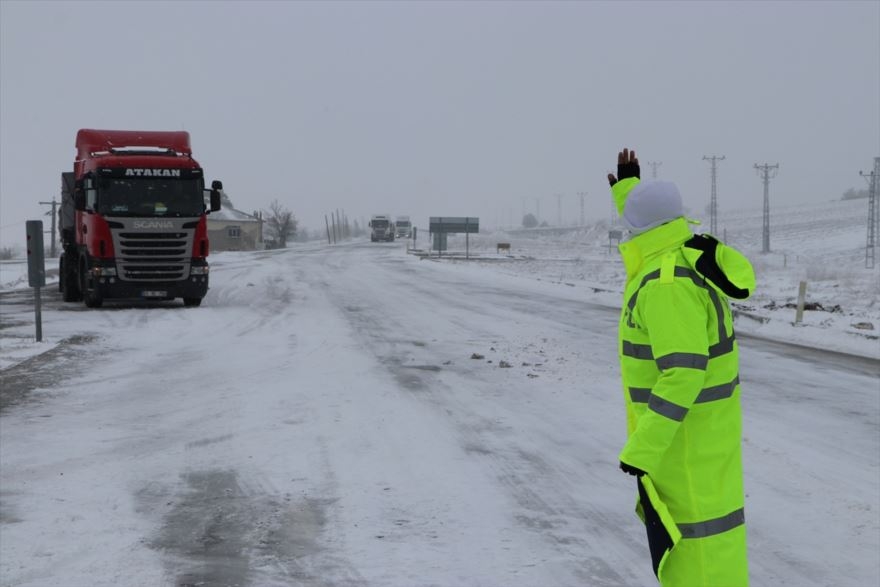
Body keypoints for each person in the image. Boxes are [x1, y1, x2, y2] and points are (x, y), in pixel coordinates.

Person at [607, 148, 755, 586]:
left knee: (697, 558)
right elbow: (649, 222)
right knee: (710, 548)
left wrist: (642, 449)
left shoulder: (665, 286)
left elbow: (684, 373)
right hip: (701, 441)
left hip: (684, 448)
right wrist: (632, 193)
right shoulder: (681, 252)